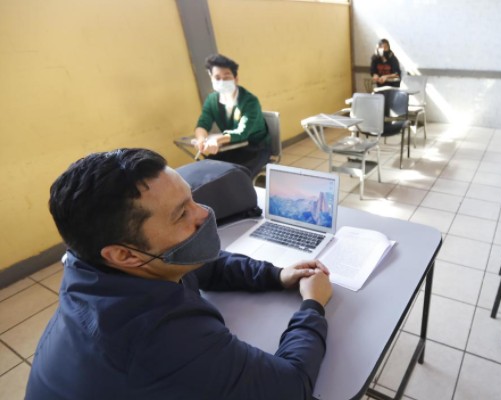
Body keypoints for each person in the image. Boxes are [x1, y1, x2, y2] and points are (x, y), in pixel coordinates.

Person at [26, 148, 332, 399]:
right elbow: (291, 388)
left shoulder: (95, 266)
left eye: (191, 198)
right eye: (181, 213)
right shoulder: (154, 339)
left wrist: (276, 275)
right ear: (124, 254)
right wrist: (313, 306)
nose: (204, 213)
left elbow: (206, 264)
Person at [193, 54, 270, 177]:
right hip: (231, 147)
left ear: (236, 78)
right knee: (208, 172)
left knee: (236, 177)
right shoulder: (212, 100)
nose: (222, 81)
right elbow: (203, 124)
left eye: (226, 77)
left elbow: (242, 132)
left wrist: (217, 140)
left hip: (254, 149)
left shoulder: (249, 101)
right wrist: (201, 139)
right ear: (211, 79)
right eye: (217, 78)